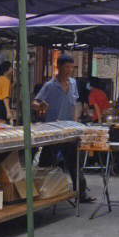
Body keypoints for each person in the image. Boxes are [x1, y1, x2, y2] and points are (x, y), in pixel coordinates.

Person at [34, 54, 91, 203]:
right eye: (67, 66)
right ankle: (40, 190)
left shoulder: (73, 83)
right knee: (46, 162)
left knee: (74, 163)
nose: (69, 69)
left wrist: (76, 123)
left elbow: (74, 105)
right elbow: (35, 102)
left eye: (71, 67)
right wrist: (40, 106)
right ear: (58, 67)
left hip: (68, 130)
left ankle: (81, 192)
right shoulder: (49, 85)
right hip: (52, 131)